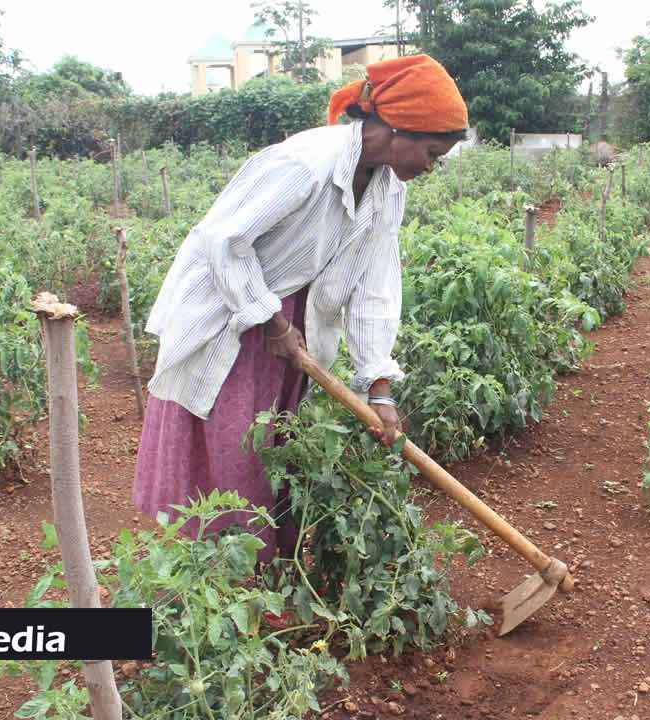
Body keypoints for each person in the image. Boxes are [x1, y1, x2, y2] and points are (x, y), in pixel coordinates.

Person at [133, 54, 469, 562]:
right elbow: (224, 241)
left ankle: (269, 576)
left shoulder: (387, 191)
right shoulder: (304, 163)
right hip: (231, 313)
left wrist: (377, 386)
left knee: (277, 452)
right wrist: (271, 322)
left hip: (294, 330)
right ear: (400, 127)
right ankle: (218, 586)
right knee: (235, 453)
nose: (431, 166)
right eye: (431, 152)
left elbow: (374, 288)